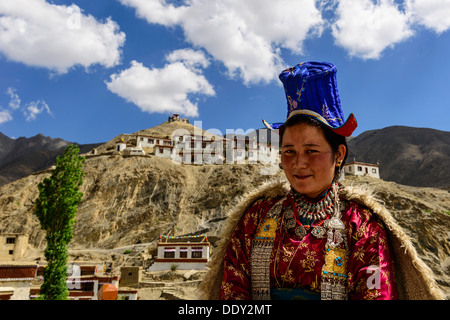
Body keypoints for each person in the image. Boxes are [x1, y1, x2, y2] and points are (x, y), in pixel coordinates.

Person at [200, 62, 445, 300]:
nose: (298, 163)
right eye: (289, 151)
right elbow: (233, 290)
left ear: (338, 155)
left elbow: (376, 293)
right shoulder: (255, 217)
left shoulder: (361, 226)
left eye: (311, 151)